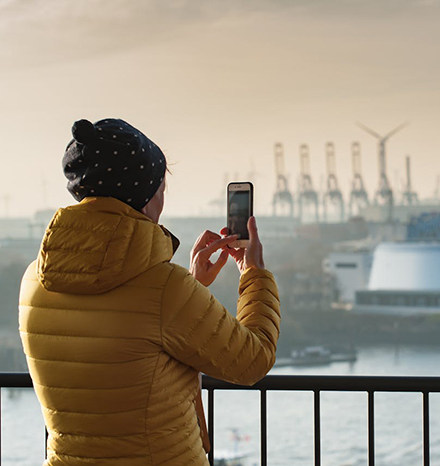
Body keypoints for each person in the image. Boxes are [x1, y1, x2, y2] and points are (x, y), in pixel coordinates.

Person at [18, 118, 280, 465]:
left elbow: (132, 341)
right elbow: (252, 360)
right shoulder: (164, 290)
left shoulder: (34, 280)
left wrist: (192, 288)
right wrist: (253, 274)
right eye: (161, 190)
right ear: (143, 197)